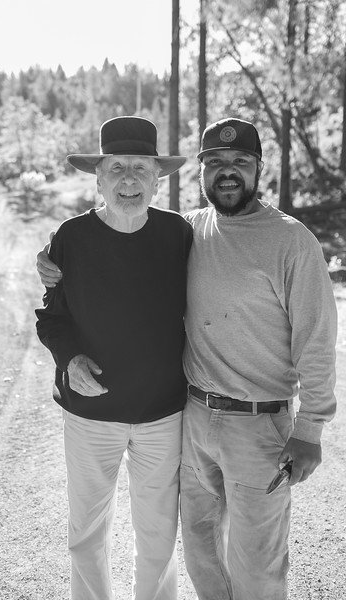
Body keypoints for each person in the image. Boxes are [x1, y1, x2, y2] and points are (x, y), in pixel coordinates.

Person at [37, 117, 337, 600]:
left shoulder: (274, 239)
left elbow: (318, 339)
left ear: (260, 169)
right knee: (199, 553)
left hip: (234, 422)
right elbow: (68, 295)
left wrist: (311, 428)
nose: (228, 172)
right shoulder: (184, 229)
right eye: (215, 162)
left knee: (249, 564)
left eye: (240, 162)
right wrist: (52, 268)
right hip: (187, 416)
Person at [35, 115, 193, 600]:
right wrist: (69, 359)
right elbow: (51, 317)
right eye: (117, 168)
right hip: (90, 416)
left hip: (162, 412)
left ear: (157, 178)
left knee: (159, 534)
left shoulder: (180, 236)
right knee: (86, 532)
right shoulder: (71, 238)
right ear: (98, 177)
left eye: (140, 169)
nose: (129, 180)